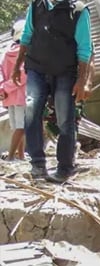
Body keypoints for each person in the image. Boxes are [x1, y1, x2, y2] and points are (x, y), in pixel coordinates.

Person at [13, 0, 92, 182]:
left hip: (65, 71)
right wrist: (17, 66)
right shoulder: (36, 6)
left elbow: (85, 48)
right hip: (36, 68)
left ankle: (64, 168)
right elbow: (26, 36)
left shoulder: (79, 11)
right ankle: (37, 163)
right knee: (31, 111)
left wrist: (82, 80)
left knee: (65, 118)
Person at [0, 19, 27, 161]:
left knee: (17, 126)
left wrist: (3, 89)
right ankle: (11, 156)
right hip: (21, 95)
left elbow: (1, 72)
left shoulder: (6, 52)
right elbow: (22, 75)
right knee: (21, 127)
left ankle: (21, 155)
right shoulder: (23, 52)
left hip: (8, 96)